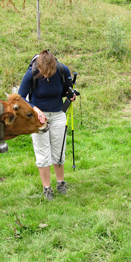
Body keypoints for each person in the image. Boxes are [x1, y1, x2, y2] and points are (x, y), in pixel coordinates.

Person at [18, 50, 76, 201]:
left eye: (47, 73)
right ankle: (47, 188)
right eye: (42, 72)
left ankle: (60, 183)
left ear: (54, 67)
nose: (44, 75)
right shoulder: (32, 73)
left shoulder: (62, 70)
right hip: (39, 118)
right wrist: (35, 109)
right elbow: (19, 98)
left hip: (58, 115)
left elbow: (65, 91)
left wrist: (71, 95)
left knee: (59, 151)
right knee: (43, 153)